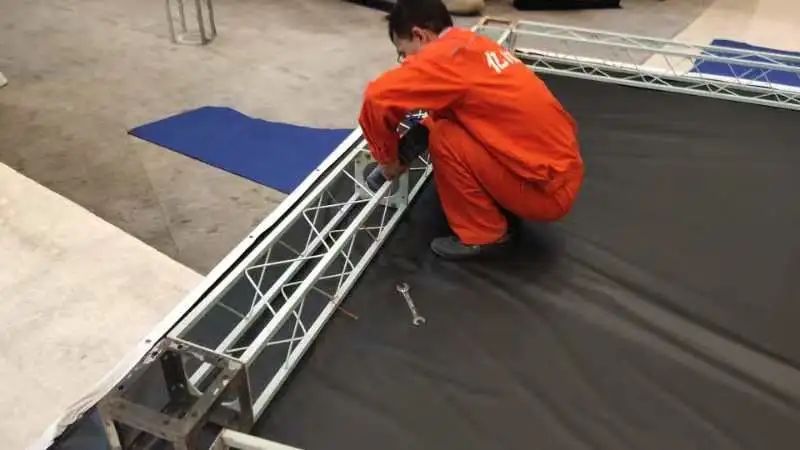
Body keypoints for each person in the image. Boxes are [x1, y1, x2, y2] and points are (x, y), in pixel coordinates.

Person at [358, 0, 584, 260]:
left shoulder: (444, 59)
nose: (405, 62)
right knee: (441, 118)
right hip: (562, 173)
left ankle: (483, 234)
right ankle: (497, 201)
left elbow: (377, 99)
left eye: (404, 53)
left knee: (444, 137)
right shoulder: (473, 45)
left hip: (545, 193)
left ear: (420, 35)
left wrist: (386, 158)